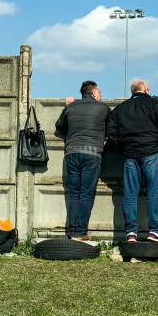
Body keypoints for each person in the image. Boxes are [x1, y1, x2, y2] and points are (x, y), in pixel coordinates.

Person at [106, 81, 158, 243]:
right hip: (152, 152)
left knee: (130, 194)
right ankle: (155, 231)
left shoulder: (120, 108)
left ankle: (131, 233)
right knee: (154, 194)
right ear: (146, 90)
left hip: (130, 155)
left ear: (133, 92)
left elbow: (111, 133)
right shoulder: (156, 104)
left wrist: (123, 149)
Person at [54, 81, 111, 241]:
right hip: (92, 154)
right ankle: (81, 232)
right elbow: (112, 127)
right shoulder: (103, 108)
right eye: (99, 92)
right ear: (93, 93)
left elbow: (60, 126)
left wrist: (67, 106)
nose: (101, 95)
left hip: (72, 153)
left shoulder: (71, 107)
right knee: (86, 194)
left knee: (74, 194)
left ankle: (73, 231)